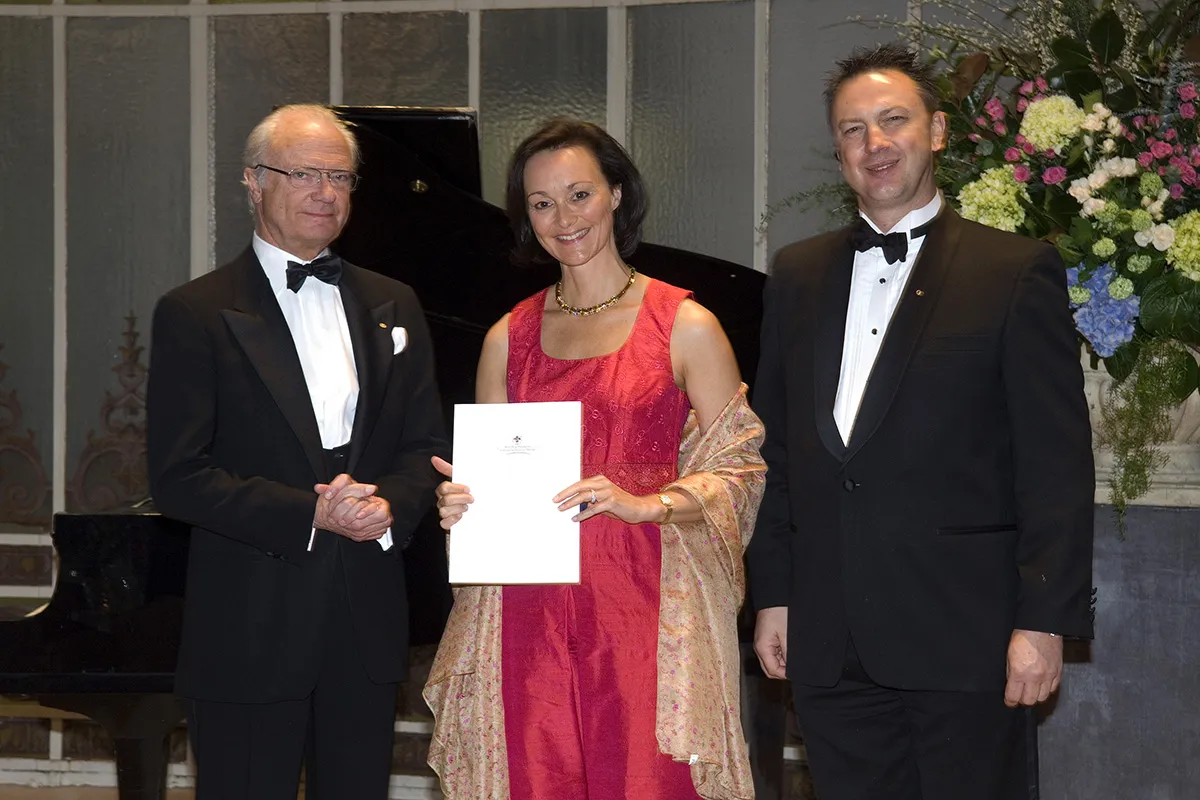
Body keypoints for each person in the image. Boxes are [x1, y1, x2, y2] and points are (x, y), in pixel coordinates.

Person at [747, 43, 1095, 800]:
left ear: (936, 131)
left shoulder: (1015, 270)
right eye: (853, 129)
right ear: (838, 151)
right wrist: (773, 595)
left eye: (893, 120)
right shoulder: (796, 274)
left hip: (966, 639)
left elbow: (1056, 466)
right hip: (830, 641)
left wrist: (1044, 621)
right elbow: (777, 454)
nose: (874, 143)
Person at [422, 118, 766, 800]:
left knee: (646, 781)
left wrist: (649, 503)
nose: (564, 218)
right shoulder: (506, 338)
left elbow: (741, 471)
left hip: (647, 609)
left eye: (579, 194)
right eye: (542, 203)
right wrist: (463, 503)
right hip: (525, 616)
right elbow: (490, 481)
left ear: (616, 194)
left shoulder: (685, 325)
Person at [147, 104, 448, 800]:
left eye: (340, 177)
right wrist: (310, 513)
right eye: (304, 174)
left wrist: (386, 505)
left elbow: (424, 446)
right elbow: (178, 476)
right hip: (249, 626)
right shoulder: (194, 311)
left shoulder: (394, 303)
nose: (325, 192)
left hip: (366, 623)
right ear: (254, 181)